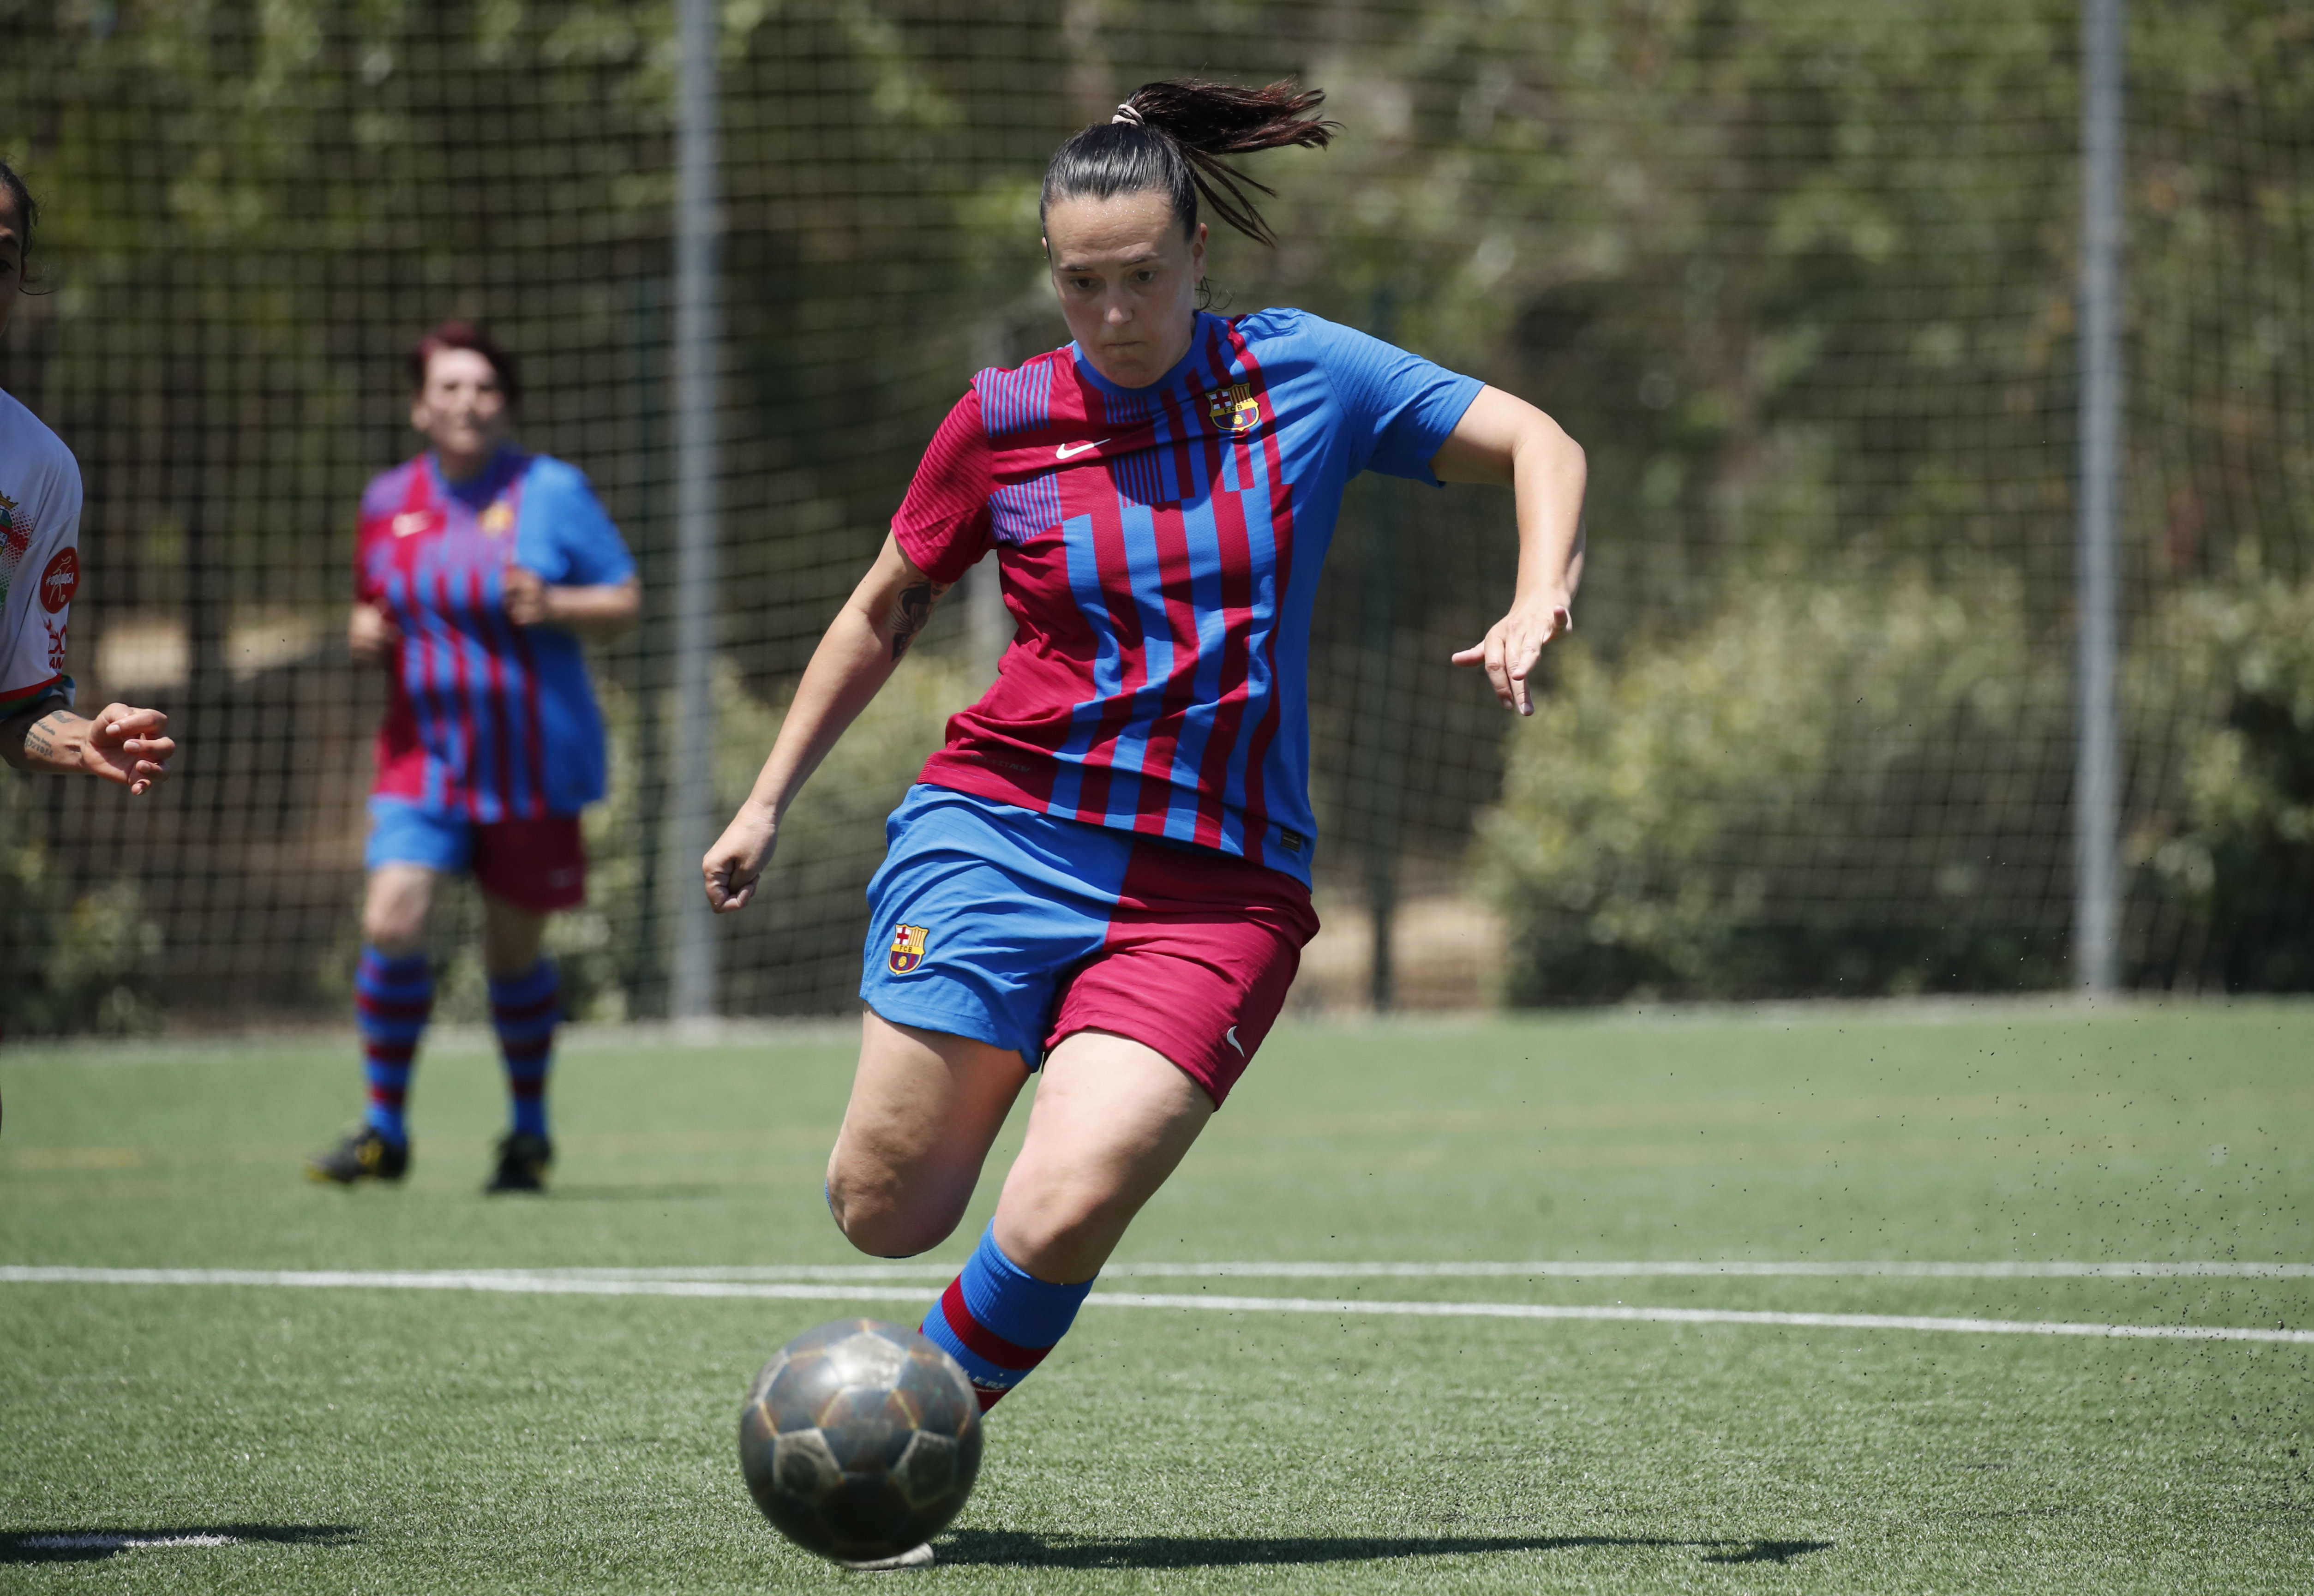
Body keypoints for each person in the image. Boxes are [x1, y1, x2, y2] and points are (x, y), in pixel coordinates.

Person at [702, 78, 1583, 1556]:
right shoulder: (999, 423)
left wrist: (1534, 590)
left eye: (1144, 279)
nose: (1114, 312)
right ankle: (923, 1339)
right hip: (998, 831)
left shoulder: (1301, 374)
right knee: (883, 1208)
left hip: (1214, 890)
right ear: (1054, 276)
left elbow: (1538, 442)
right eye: (1082, 285)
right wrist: (763, 801)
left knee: (1057, 1208)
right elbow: (883, 608)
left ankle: (907, 1432)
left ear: (1195, 258)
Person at [307, 321, 641, 1193]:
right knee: (393, 918)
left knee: (512, 955)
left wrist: (558, 600)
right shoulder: (386, 501)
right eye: (450, 387)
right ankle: (385, 1130)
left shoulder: (551, 490)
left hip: (533, 763)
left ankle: (527, 1134)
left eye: (485, 387)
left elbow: (625, 598)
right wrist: (361, 632)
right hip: (422, 762)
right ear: (421, 407)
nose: (468, 401)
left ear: (506, 404)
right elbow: (370, 607)